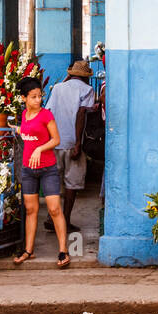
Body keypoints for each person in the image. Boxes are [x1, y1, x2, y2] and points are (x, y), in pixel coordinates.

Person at [13, 76, 71, 269]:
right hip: (28, 170)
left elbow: (56, 139)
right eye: (33, 97)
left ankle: (63, 250)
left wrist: (40, 149)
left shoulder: (46, 115)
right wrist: (16, 129)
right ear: (24, 98)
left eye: (40, 96)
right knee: (31, 210)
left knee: (54, 209)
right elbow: (27, 133)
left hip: (48, 169)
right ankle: (28, 250)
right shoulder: (24, 115)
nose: (38, 100)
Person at [43, 60, 97, 233]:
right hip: (72, 143)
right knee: (71, 184)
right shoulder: (87, 90)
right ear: (86, 76)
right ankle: (64, 220)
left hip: (55, 141)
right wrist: (78, 143)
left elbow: (48, 112)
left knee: (54, 182)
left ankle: (52, 217)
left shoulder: (58, 88)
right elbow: (81, 114)